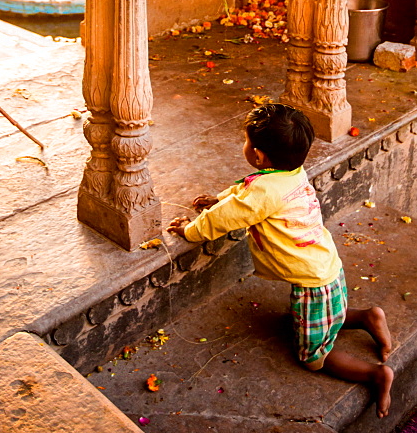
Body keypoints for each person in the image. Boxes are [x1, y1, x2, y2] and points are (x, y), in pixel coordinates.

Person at [168, 103, 394, 419]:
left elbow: (225, 218)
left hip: (313, 284)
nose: (245, 147)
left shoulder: (263, 191)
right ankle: (369, 317)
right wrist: (218, 199)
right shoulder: (290, 174)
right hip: (327, 265)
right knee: (329, 313)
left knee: (313, 355)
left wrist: (190, 231)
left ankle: (375, 375)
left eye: (246, 141)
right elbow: (245, 192)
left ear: (259, 156)